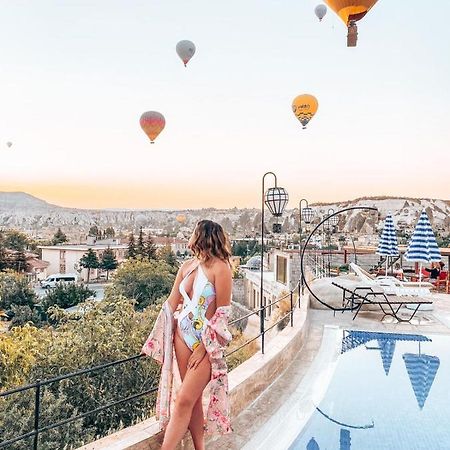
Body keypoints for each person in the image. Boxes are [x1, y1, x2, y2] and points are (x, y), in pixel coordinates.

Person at [141, 220, 233, 450]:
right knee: (192, 404)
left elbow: (222, 313)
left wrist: (203, 349)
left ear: (202, 236)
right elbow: (172, 303)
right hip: (181, 338)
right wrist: (156, 338)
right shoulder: (187, 266)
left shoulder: (221, 268)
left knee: (183, 400)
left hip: (204, 345)